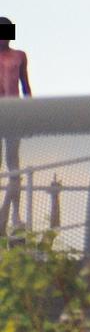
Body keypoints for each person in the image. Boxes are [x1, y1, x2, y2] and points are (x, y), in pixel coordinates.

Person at [0, 17, 31, 232]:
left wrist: (30, 114)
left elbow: (25, 85)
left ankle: (14, 215)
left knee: (14, 166)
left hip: (15, 112)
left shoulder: (19, 56)